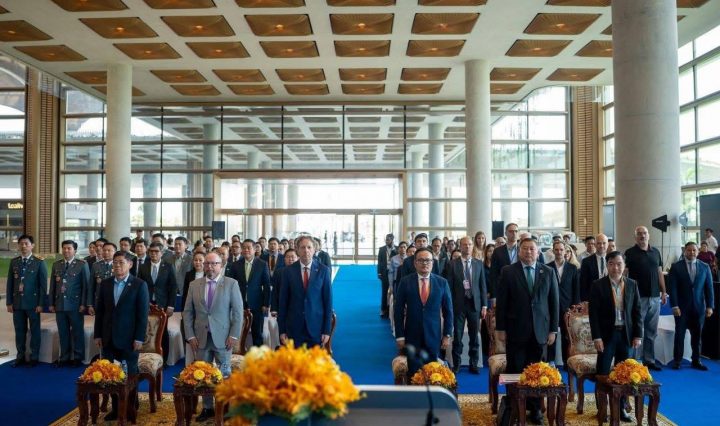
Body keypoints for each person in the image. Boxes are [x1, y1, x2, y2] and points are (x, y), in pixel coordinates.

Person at [495, 237, 558, 425]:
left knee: (537, 371)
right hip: (516, 330)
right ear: (519, 251)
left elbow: (554, 303)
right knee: (515, 369)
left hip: (540, 331)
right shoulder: (508, 271)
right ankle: (513, 407)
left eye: (532, 249)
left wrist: (553, 330)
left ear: (538, 252)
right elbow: (502, 303)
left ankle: (535, 408)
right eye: (524, 249)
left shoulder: (548, 271)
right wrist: (500, 328)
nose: (528, 252)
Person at [183, 252, 243, 422]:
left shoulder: (231, 284)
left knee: (224, 374)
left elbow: (238, 313)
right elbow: (187, 313)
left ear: (221, 265)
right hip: (200, 338)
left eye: (214, 263)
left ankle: (225, 407)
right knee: (203, 374)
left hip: (224, 338)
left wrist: (234, 335)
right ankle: (207, 408)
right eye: (207, 263)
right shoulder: (194, 285)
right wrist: (190, 336)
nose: (210, 267)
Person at [93, 251, 149, 421]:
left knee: (129, 374)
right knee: (111, 374)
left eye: (121, 262)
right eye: (115, 262)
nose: (117, 265)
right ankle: (116, 408)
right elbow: (100, 312)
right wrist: (98, 334)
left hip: (129, 339)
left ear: (130, 264)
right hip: (108, 337)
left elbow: (142, 315)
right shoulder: (106, 284)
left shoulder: (139, 285)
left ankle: (131, 406)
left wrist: (139, 338)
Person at [589, 251, 641, 423]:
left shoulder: (632, 284)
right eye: (611, 264)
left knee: (624, 374)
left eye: (619, 264)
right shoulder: (598, 285)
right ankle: (602, 408)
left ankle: (621, 408)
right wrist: (597, 337)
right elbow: (593, 314)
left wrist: (638, 335)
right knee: (603, 372)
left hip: (626, 335)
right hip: (606, 336)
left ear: (624, 266)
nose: (615, 267)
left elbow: (637, 311)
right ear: (607, 265)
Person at [394, 247, 453, 377]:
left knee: (433, 373)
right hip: (412, 335)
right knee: (413, 373)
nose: (425, 263)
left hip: (433, 335)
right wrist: (400, 336)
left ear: (433, 262)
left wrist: (447, 334)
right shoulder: (405, 282)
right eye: (421, 260)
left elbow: (448, 311)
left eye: (428, 260)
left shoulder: (442, 283)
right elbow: (398, 311)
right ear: (415, 263)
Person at [624, 226, 666, 371]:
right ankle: (635, 361)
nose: (642, 236)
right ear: (635, 237)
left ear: (649, 235)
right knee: (637, 330)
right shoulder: (629, 253)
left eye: (645, 233)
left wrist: (664, 291)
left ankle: (649, 360)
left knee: (651, 331)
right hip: (637, 298)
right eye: (639, 234)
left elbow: (659, 273)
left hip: (655, 297)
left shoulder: (656, 252)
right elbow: (625, 275)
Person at [278, 236, 333, 348]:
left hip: (316, 327)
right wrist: (282, 330)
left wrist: (327, 331)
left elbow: (328, 302)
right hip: (293, 328)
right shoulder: (288, 271)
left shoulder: (323, 270)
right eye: (302, 247)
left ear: (314, 249)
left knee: (314, 359)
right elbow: (283, 302)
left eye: (309, 247)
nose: (306, 250)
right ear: (297, 250)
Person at [668, 242, 714, 370]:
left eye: (694, 250)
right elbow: (672, 288)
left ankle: (696, 360)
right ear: (685, 251)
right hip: (681, 309)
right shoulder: (676, 267)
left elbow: (709, 288)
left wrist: (710, 306)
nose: (692, 252)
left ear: (698, 251)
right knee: (679, 335)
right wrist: (674, 305)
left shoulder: (705, 267)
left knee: (697, 336)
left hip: (699, 308)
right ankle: (677, 361)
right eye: (689, 250)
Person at [446, 237, 487, 373]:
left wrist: (484, 305)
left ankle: (473, 363)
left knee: (474, 336)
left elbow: (482, 286)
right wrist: (449, 306)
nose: (467, 247)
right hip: (458, 305)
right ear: (460, 246)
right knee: (457, 336)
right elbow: (449, 287)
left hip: (474, 305)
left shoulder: (478, 263)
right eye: (464, 244)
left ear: (472, 246)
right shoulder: (452, 264)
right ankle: (456, 363)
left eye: (469, 244)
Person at [6, 234, 47, 368]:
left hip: (33, 304)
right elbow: (10, 283)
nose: (23, 246)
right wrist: (9, 302)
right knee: (19, 331)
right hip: (18, 303)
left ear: (32, 246)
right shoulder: (14, 262)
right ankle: (20, 356)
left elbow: (43, 286)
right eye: (21, 244)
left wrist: (41, 304)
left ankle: (34, 357)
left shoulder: (39, 262)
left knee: (35, 331)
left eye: (26, 244)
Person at [49, 240, 91, 367]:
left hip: (75, 305)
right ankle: (64, 357)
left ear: (75, 250)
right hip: (60, 304)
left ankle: (77, 357)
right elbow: (52, 286)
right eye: (64, 248)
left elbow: (86, 286)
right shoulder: (57, 265)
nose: (66, 251)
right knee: (63, 332)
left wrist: (83, 304)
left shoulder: (82, 265)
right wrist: (51, 303)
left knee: (77, 332)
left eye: (69, 248)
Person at [138, 242, 178, 364]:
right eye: (151, 251)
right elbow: (139, 286)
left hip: (163, 304)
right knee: (146, 331)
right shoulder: (143, 267)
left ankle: (163, 360)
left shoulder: (168, 266)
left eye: (156, 251)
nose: (153, 254)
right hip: (147, 304)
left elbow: (173, 287)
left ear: (162, 253)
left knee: (162, 332)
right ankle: (146, 358)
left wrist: (171, 305)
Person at [229, 239, 271, 347]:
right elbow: (230, 285)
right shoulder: (235, 265)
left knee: (257, 334)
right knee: (238, 333)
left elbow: (267, 285)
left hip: (257, 304)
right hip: (239, 303)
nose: (246, 250)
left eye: (249, 248)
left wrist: (266, 304)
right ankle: (240, 354)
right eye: (244, 248)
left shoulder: (262, 264)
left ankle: (258, 356)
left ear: (254, 249)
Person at [546, 241, 580, 366]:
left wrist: (575, 307)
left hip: (568, 307)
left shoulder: (572, 268)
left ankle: (567, 362)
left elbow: (576, 289)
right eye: (556, 250)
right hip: (551, 306)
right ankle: (551, 361)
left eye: (561, 250)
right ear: (553, 251)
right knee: (551, 334)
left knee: (567, 335)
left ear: (565, 251)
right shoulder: (547, 267)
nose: (559, 252)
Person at [489, 223, 521, 303]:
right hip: (503, 289)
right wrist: (493, 295)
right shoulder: (497, 251)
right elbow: (493, 274)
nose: (514, 233)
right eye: (511, 231)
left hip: (520, 288)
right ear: (506, 233)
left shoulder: (522, 250)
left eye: (516, 231)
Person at [87, 242, 116, 315]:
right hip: (99, 301)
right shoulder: (96, 265)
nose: (106, 252)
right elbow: (91, 286)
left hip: (114, 301)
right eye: (104, 250)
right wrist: (90, 304)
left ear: (115, 252)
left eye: (109, 250)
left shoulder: (118, 265)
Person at [579, 234, 609, 302]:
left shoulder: (612, 260)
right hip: (593, 298)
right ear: (595, 245)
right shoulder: (586, 261)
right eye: (599, 243)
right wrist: (585, 301)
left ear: (607, 244)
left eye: (604, 243)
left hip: (609, 297)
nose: (601, 246)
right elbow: (583, 284)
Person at [271, 248, 298, 314]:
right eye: (288, 257)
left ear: (297, 258)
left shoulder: (301, 272)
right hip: (282, 305)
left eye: (293, 257)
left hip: (297, 306)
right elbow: (275, 291)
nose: (290, 259)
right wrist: (274, 308)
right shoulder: (279, 272)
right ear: (284, 259)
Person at [376, 233, 396, 319]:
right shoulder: (382, 249)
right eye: (386, 239)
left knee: (393, 291)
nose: (386, 241)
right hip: (384, 272)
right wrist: (379, 273)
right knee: (384, 291)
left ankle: (392, 310)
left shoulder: (397, 249)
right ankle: (383, 309)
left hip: (394, 273)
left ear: (392, 240)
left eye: (388, 239)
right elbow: (379, 262)